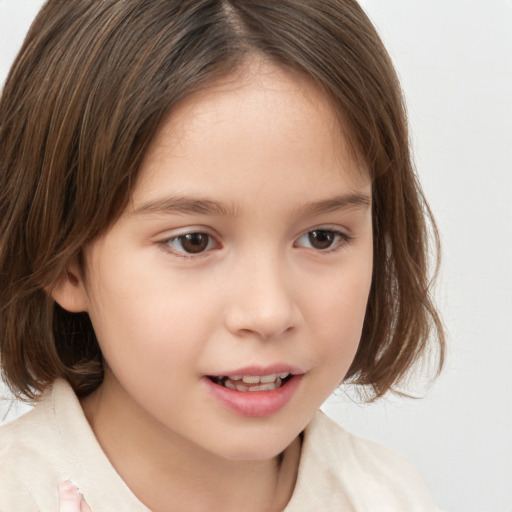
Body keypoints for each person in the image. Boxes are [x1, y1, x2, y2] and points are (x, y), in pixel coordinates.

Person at [0, 1, 446, 511]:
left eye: (322, 237)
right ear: (65, 259)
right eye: (192, 241)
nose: (268, 312)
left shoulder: (388, 496)